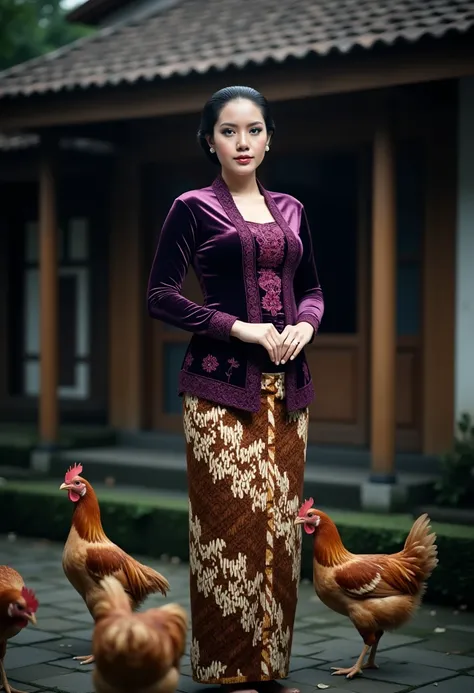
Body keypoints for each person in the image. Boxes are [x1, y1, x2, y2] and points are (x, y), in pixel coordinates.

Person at [147, 86, 324, 693]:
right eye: (228, 131)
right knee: (227, 531)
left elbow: (314, 290)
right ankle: (228, 671)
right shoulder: (192, 207)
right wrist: (239, 327)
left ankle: (269, 668)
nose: (242, 142)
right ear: (209, 141)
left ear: (270, 137)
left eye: (253, 130)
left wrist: (303, 325)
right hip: (220, 392)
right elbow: (160, 295)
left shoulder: (293, 209)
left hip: (290, 391)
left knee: (279, 528)